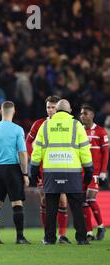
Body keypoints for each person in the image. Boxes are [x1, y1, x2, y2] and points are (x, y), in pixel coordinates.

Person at [31, 99, 92, 245]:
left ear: (56, 111)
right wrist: (89, 169)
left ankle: (49, 238)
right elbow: (84, 149)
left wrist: (34, 169)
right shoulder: (76, 125)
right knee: (77, 207)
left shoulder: (46, 125)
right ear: (70, 111)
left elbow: (37, 149)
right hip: (72, 172)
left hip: (51, 172)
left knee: (51, 207)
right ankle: (82, 238)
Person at [0, 101, 31, 244]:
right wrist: (25, 174)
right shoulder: (17, 129)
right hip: (13, 170)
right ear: (14, 111)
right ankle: (20, 237)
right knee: (16, 203)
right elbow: (22, 153)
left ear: (0, 111)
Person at [26, 96, 71, 243]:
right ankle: (47, 234)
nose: (51, 110)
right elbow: (28, 143)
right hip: (43, 171)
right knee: (45, 201)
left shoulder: (66, 124)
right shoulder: (39, 124)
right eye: (48, 107)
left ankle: (62, 235)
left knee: (63, 202)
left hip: (61, 168)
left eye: (53, 107)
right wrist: (35, 162)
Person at [80, 104, 108, 240]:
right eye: (81, 114)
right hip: (80, 173)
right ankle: (89, 232)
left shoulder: (101, 131)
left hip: (95, 173)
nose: (82, 116)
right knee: (83, 202)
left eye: (85, 113)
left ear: (92, 115)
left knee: (90, 198)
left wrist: (103, 171)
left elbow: (106, 153)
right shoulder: (79, 131)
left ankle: (101, 227)